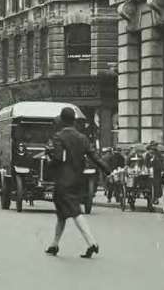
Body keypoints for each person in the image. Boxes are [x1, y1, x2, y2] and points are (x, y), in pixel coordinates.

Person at [45, 107, 110, 259]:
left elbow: (58, 159)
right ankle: (54, 245)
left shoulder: (58, 137)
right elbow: (95, 157)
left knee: (75, 212)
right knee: (61, 214)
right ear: (73, 121)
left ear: (61, 120)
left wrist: (49, 159)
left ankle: (92, 242)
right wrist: (108, 170)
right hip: (77, 180)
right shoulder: (82, 138)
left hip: (62, 181)